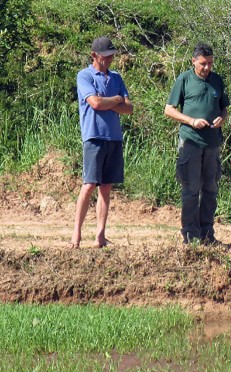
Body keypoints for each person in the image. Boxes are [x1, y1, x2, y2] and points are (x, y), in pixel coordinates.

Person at [70, 36, 133, 249]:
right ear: (94, 56)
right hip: (94, 137)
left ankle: (100, 236)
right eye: (106, 56)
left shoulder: (116, 77)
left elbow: (129, 108)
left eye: (112, 55)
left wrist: (112, 101)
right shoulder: (84, 76)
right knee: (89, 185)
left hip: (114, 137)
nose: (110, 59)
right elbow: (95, 102)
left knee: (106, 188)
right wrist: (116, 99)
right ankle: (76, 235)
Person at [164, 42, 230, 244]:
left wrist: (222, 118)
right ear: (193, 61)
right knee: (191, 189)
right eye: (203, 63)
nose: (207, 67)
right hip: (191, 142)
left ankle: (207, 234)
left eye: (210, 63)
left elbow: (224, 108)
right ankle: (190, 235)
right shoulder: (184, 79)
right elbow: (169, 109)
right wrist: (191, 121)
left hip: (212, 143)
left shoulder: (217, 80)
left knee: (210, 188)